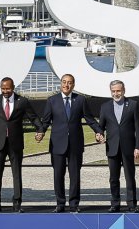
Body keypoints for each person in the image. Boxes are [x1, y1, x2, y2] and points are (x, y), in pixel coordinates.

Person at [36, 73, 103, 213]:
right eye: (64, 82)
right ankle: (60, 204)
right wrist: (41, 132)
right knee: (58, 175)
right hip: (57, 144)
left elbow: (90, 119)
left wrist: (99, 131)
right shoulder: (52, 100)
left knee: (75, 175)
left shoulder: (81, 100)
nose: (66, 85)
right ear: (61, 83)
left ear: (73, 85)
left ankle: (74, 204)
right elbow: (46, 121)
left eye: (70, 82)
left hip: (75, 144)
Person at [0, 77, 43, 213]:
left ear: (13, 87)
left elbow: (33, 118)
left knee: (16, 174)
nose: (5, 91)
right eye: (3, 89)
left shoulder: (22, 101)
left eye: (7, 88)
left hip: (16, 143)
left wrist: (40, 130)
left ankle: (17, 204)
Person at [98, 79, 139, 213]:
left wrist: (138, 147)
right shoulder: (105, 107)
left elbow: (138, 128)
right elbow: (100, 127)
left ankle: (132, 204)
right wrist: (99, 135)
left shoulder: (133, 105)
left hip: (129, 147)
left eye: (118, 90)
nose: (116, 93)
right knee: (113, 178)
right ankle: (115, 204)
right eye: (113, 91)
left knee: (130, 177)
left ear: (124, 90)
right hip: (112, 147)